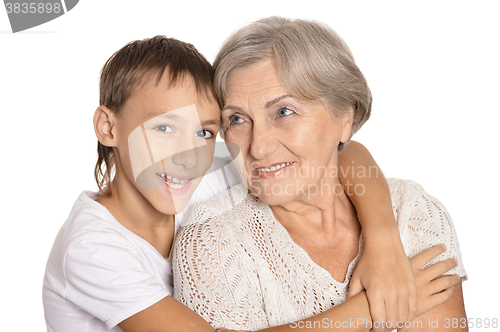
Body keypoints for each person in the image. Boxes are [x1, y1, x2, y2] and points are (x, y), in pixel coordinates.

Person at [42, 35, 458, 332]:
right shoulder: (91, 249)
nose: (187, 153)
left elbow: (343, 153)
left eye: (206, 131)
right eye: (164, 128)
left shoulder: (182, 174)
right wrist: (373, 309)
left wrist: (383, 242)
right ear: (108, 126)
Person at [173, 17, 467, 331]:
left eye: (283, 112)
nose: (257, 147)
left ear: (346, 116)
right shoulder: (212, 243)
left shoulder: (412, 213)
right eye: (237, 119)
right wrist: (366, 309)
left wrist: (382, 237)